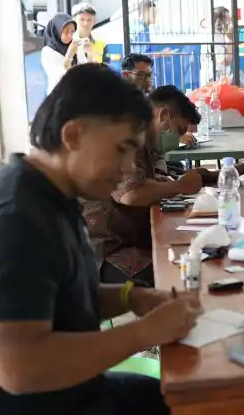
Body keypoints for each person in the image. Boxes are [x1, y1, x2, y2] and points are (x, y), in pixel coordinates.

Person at [0, 64, 201, 415]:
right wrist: (144, 331)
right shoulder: (13, 216)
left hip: (61, 401)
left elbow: (56, 294)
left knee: (177, 409)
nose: (128, 169)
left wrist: (133, 296)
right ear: (73, 134)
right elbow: (21, 368)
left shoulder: (51, 195)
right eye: (122, 149)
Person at [81, 85, 205, 287]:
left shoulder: (145, 141)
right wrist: (180, 186)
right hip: (106, 251)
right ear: (163, 115)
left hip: (127, 238)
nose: (178, 139)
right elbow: (131, 193)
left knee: (191, 253)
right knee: (175, 274)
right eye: (179, 130)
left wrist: (163, 183)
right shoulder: (129, 137)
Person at [200, 5, 238, 85]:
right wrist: (230, 39)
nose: (230, 21)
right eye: (227, 18)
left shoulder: (219, 35)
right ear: (218, 20)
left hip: (218, 77)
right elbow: (226, 61)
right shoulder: (214, 37)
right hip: (215, 79)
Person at [41, 13, 77, 94]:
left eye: (72, 31)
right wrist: (70, 55)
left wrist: (89, 53)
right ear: (56, 30)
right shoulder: (48, 51)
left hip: (75, 95)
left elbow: (85, 69)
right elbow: (61, 77)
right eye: (65, 31)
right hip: (58, 96)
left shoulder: (74, 46)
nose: (70, 35)